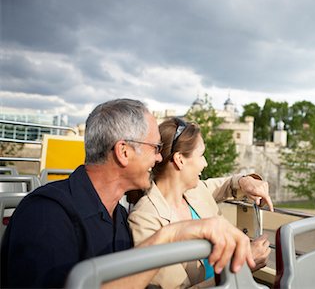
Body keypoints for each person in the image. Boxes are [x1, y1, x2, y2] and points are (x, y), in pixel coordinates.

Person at [0, 99, 255, 288]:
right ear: (124, 152)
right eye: (155, 148)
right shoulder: (45, 215)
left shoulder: (118, 217)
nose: (159, 158)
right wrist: (169, 236)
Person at [128, 117, 274, 288]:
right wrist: (241, 266)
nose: (205, 163)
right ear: (180, 159)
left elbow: (226, 184)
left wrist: (245, 181)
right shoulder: (144, 220)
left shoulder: (194, 191)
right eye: (201, 155)